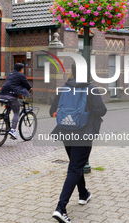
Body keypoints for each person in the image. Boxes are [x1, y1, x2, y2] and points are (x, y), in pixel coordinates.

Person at [50, 63, 107, 223]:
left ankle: (83, 194)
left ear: (72, 71)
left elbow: (52, 111)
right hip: (83, 133)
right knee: (75, 167)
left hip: (65, 132)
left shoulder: (62, 88)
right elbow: (101, 110)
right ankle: (60, 208)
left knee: (76, 164)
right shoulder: (91, 88)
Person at [0, 63, 32, 139]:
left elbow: (11, 83)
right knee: (16, 112)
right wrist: (30, 89)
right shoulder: (21, 75)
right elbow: (27, 84)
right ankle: (13, 130)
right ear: (21, 69)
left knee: (10, 107)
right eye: (23, 69)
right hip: (11, 95)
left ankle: (6, 119)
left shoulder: (10, 74)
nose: (23, 70)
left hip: (2, 94)